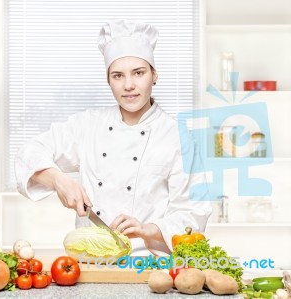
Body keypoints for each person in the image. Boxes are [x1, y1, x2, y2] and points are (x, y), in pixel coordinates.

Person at [15, 19, 212, 256]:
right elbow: (30, 152)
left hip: (148, 265)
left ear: (154, 75)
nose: (128, 85)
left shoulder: (179, 138)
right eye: (118, 76)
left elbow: (193, 213)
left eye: (138, 73)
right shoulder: (88, 125)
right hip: (88, 262)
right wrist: (59, 180)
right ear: (108, 81)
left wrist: (148, 229)